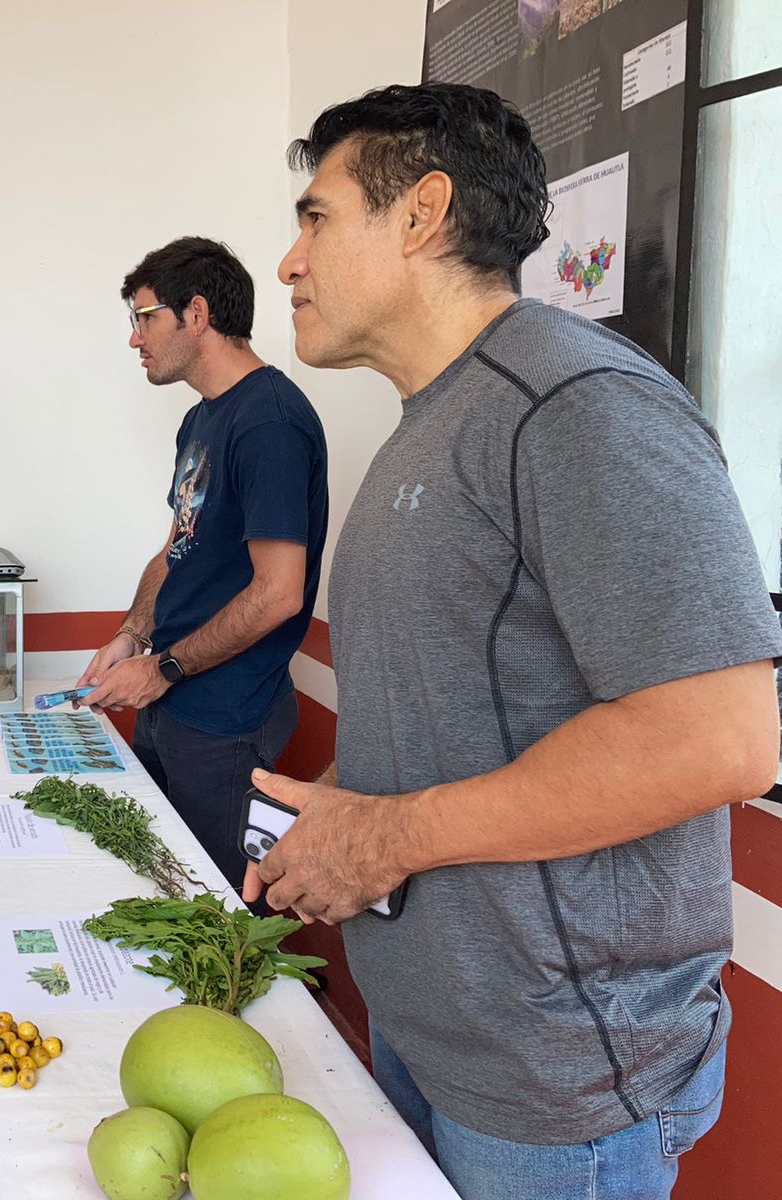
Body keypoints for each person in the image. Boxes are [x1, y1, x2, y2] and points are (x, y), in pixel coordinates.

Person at [245, 82, 782, 1200]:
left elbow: (719, 742)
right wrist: (341, 820)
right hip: (438, 1018)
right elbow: (468, 709)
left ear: (420, 212)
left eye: (314, 218)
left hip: (556, 1077)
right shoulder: (432, 420)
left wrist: (384, 841)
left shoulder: (580, 402)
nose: (289, 263)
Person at [80, 237, 329, 882]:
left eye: (145, 317)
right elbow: (178, 547)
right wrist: (131, 635)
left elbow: (279, 593)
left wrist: (162, 667)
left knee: (214, 914)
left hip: (225, 719)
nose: (135, 338)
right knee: (155, 883)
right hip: (170, 701)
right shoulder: (202, 420)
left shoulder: (268, 420)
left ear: (196, 314)